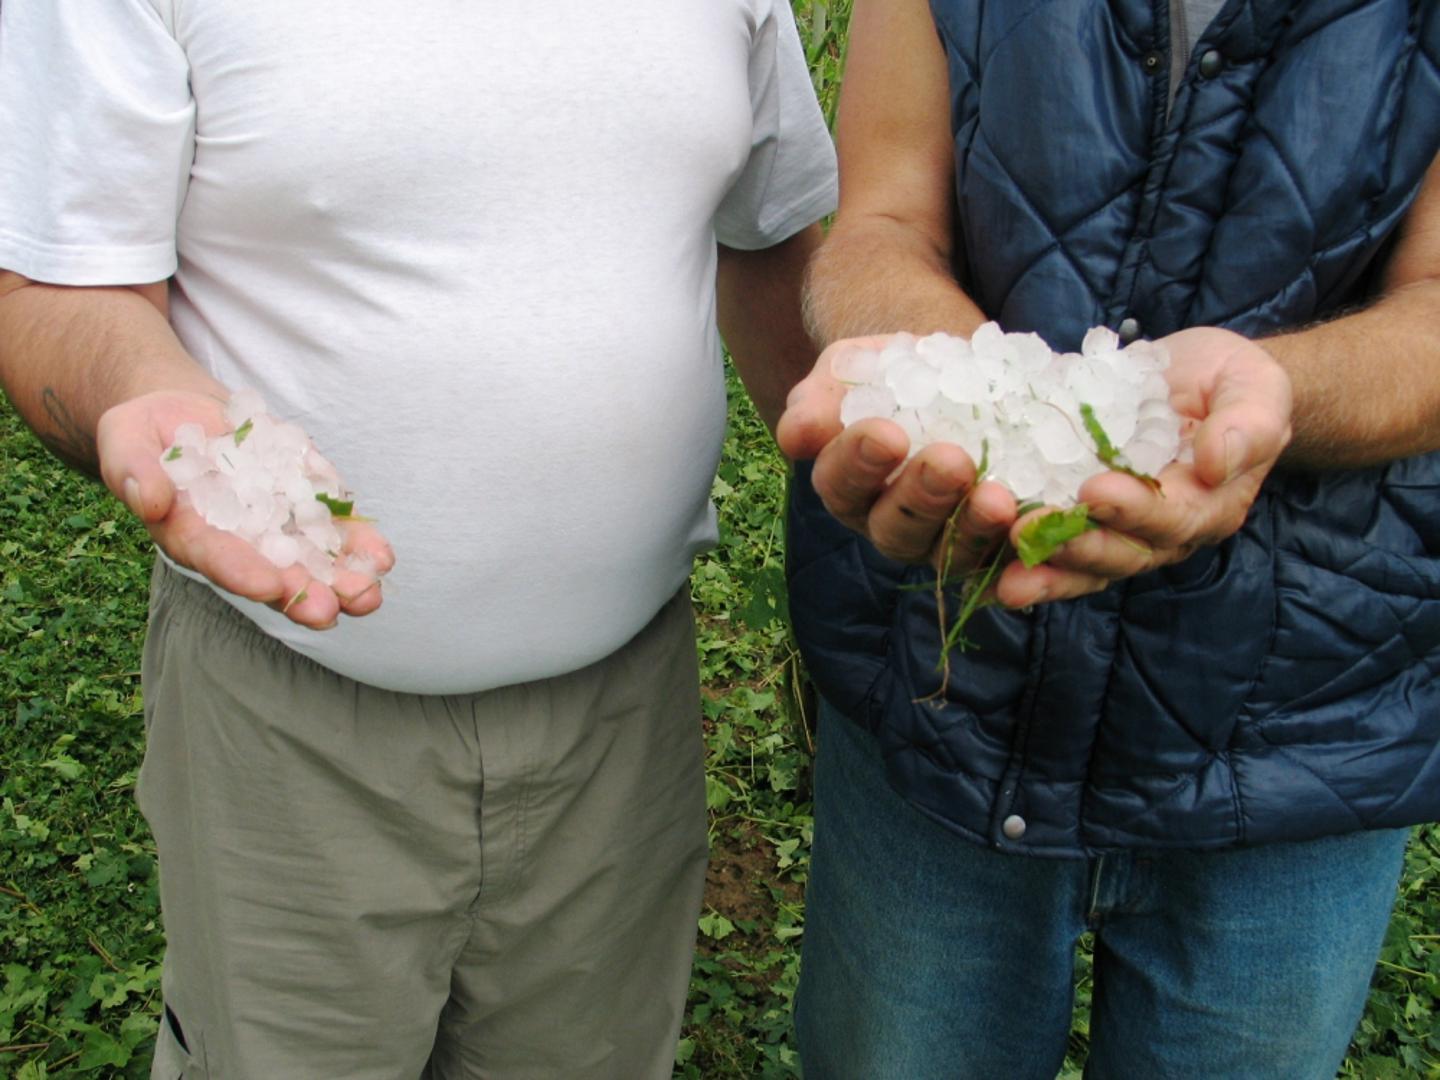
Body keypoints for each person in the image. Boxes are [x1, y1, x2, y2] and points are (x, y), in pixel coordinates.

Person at [0, 2, 836, 1076]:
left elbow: (767, 237)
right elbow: (60, 284)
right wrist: (137, 382)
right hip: (291, 719)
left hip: (625, 721)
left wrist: (862, 511)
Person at [776, 0, 1440, 1077]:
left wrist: (1276, 390)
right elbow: (884, 222)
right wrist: (983, 400)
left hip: (1307, 718)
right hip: (946, 703)